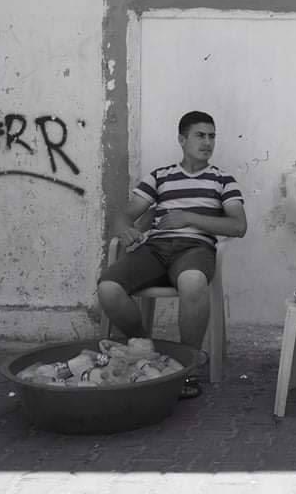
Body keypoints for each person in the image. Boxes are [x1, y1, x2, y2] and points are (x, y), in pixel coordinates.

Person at [98, 111, 247, 399]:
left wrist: (188, 218)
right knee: (108, 288)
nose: (207, 142)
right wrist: (126, 231)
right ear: (182, 139)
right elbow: (125, 216)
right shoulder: (160, 176)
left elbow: (238, 226)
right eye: (200, 135)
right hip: (154, 248)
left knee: (192, 282)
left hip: (195, 249)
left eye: (211, 136)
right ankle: (143, 347)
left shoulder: (222, 180)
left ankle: (186, 369)